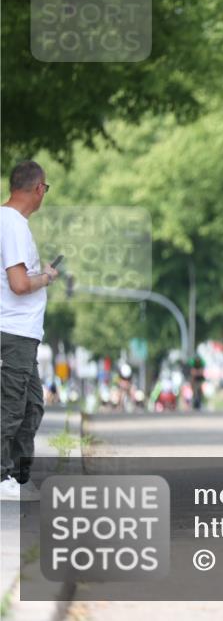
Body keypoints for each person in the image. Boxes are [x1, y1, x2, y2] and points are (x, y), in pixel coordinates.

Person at [1, 161, 59, 501]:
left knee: (32, 405)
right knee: (11, 406)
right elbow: (20, 283)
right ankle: (3, 476)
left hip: (21, 333)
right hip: (13, 330)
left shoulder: (10, 222)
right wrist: (47, 277)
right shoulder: (13, 224)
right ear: (38, 189)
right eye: (45, 189)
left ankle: (19, 477)